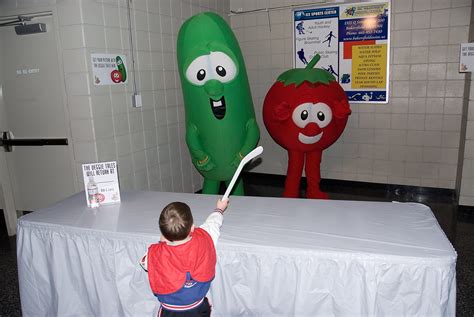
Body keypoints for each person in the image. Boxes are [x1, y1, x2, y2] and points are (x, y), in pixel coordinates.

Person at [140, 198, 229, 317]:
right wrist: (219, 209)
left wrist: (161, 243)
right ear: (192, 227)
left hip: (170, 311)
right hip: (198, 308)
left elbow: (144, 263)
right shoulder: (204, 238)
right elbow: (213, 224)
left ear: (163, 232)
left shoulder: (156, 253)